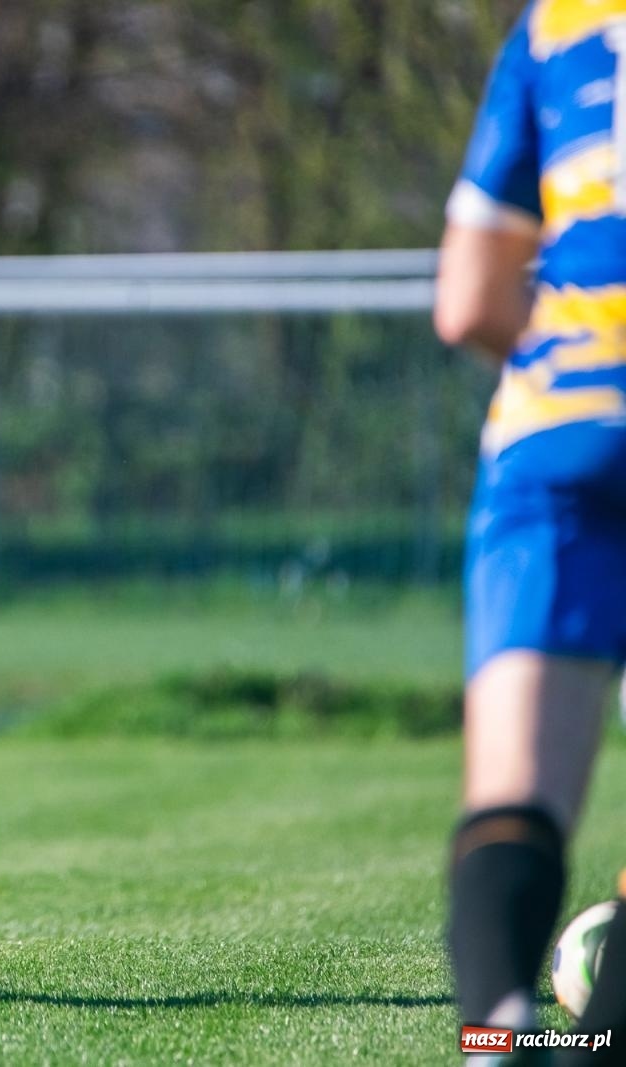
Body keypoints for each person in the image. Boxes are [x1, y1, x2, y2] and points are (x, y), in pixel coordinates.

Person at [435, 3, 626, 1058]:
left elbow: (467, 303)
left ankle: (497, 1034)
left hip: (562, 434)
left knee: (514, 799)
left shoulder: (558, 25)